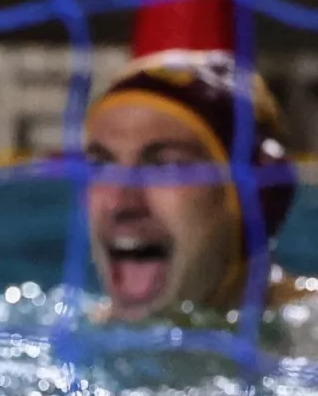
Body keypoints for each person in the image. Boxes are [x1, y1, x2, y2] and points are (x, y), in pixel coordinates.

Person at [84, 49, 301, 326]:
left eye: (167, 167)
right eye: (101, 166)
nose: (120, 202)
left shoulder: (316, 335)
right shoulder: (65, 333)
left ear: (258, 196)